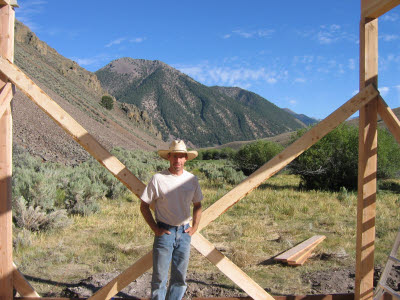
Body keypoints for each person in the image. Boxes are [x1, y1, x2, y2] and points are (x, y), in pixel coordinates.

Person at [140, 140, 203, 300]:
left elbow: (198, 204)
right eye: (175, 156)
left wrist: (194, 227)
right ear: (169, 157)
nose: (178, 160)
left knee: (179, 279)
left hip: (184, 233)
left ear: (186, 159)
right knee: (159, 278)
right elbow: (144, 205)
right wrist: (156, 229)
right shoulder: (158, 179)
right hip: (164, 233)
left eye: (181, 157)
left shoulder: (192, 180)